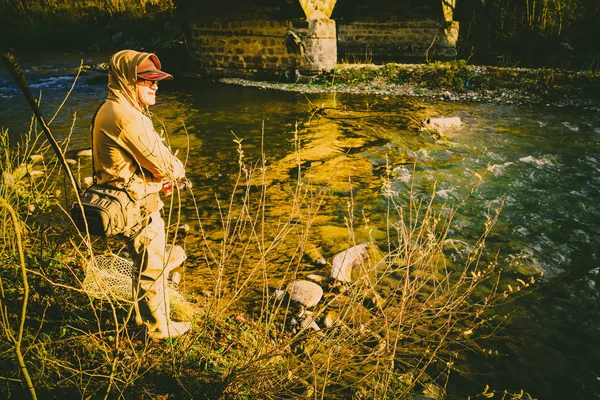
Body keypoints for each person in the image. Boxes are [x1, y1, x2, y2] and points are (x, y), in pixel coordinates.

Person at [92, 49, 191, 340]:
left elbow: (132, 163)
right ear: (126, 80)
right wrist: (174, 171)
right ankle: (158, 329)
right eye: (147, 81)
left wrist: (156, 179)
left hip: (123, 198)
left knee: (144, 262)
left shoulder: (113, 108)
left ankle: (140, 318)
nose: (155, 86)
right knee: (153, 265)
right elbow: (163, 163)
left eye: (156, 81)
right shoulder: (128, 118)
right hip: (135, 205)